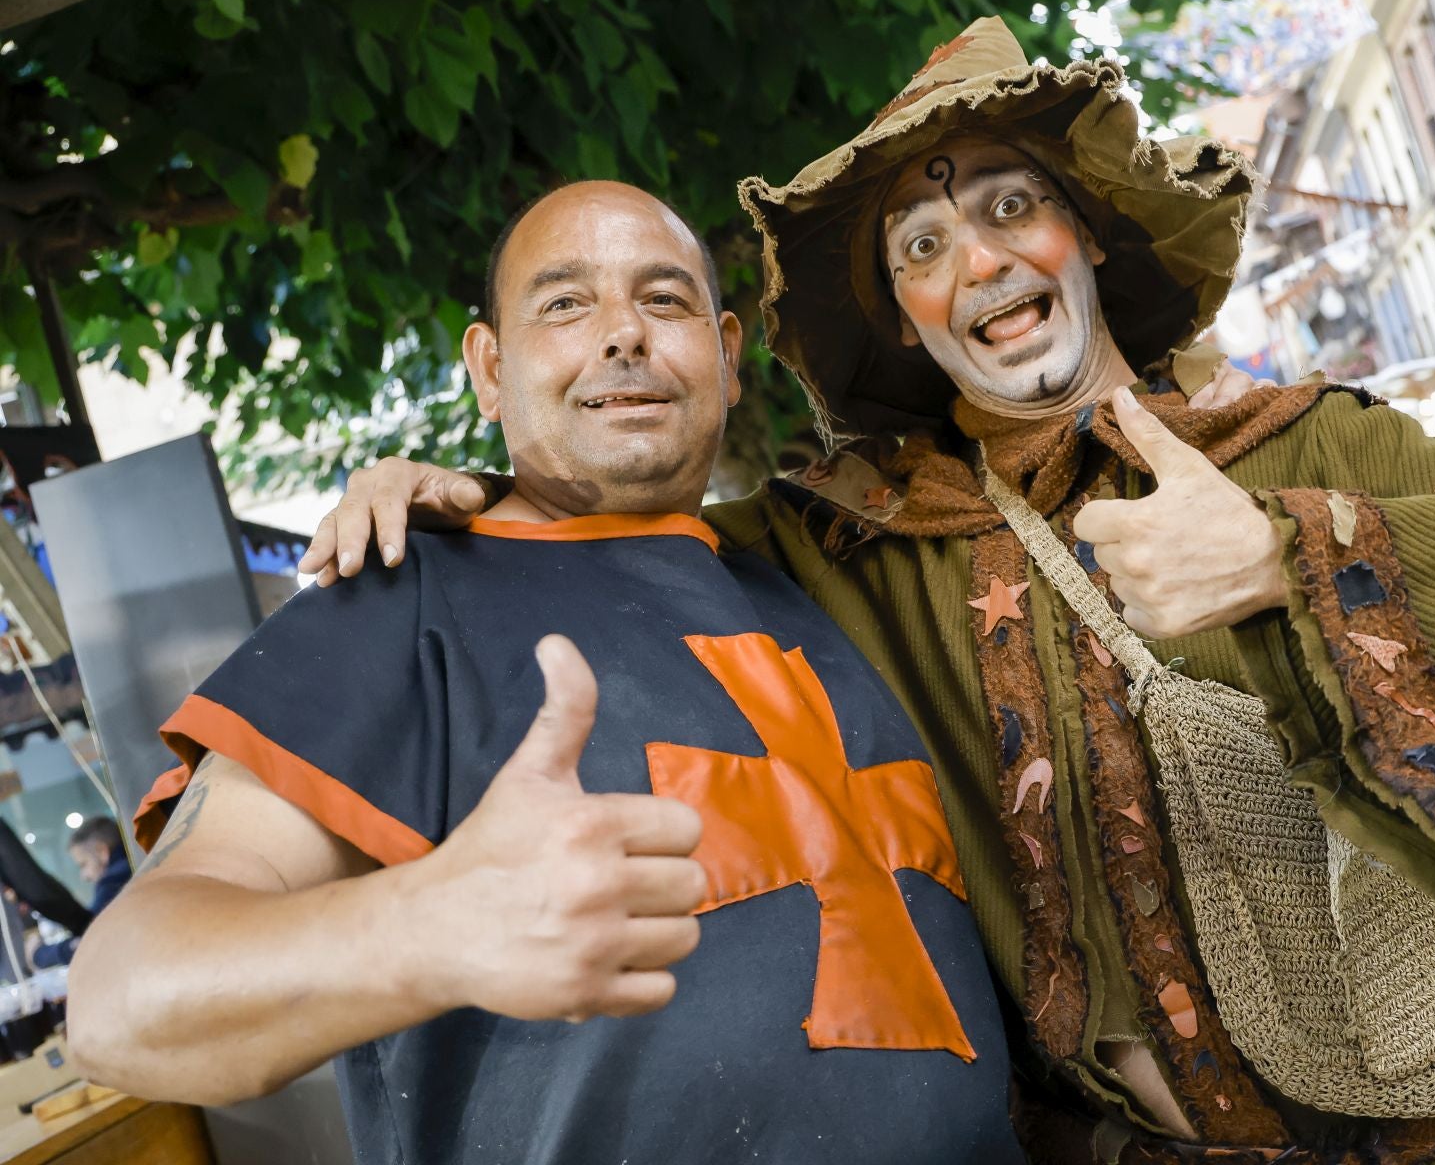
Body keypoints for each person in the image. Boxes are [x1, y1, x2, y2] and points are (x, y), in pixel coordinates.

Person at [314, 19, 1435, 1164]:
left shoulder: (1304, 444)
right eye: (919, 247)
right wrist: (449, 494)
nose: (974, 260)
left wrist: (1288, 557)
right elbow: (610, 519)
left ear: (1086, 237)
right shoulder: (849, 544)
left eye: (1006, 207)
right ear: (907, 318)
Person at [67, 182, 1024, 1164]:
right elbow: (122, 1000)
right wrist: (429, 922)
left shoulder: (820, 572)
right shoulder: (396, 601)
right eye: (565, 303)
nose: (623, 334)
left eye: (664, 299)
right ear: (489, 368)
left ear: (729, 356)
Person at [28, 817, 132, 968]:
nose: (85, 876)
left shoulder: (115, 879)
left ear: (102, 851)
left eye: (84, 864)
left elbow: (88, 940)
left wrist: (39, 955)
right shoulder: (134, 863)